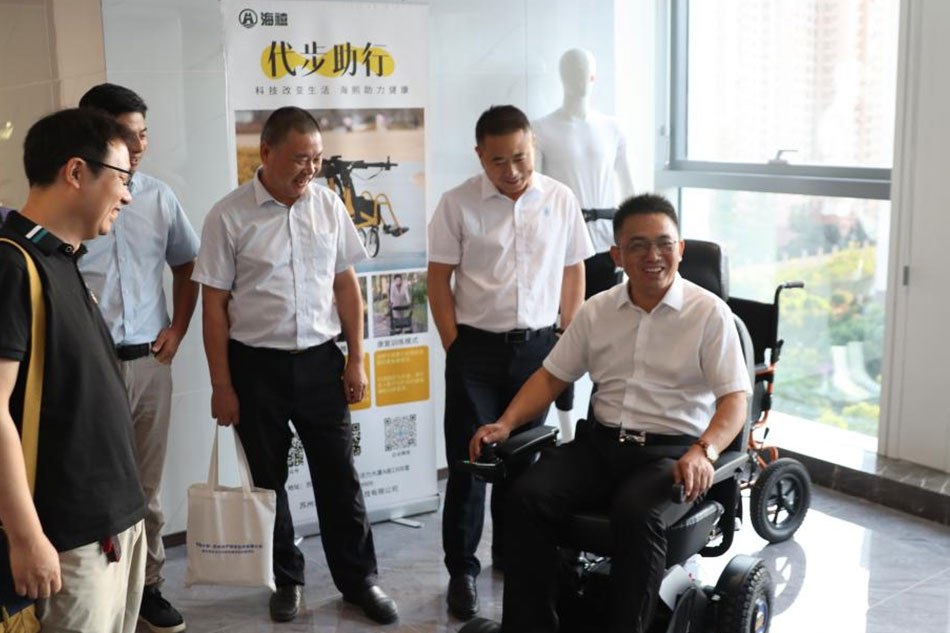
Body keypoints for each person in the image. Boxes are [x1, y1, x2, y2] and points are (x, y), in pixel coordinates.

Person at [470, 194, 752, 633]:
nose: (653, 256)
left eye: (664, 243)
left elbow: (735, 399)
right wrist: (506, 423)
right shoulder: (598, 310)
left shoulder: (709, 314)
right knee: (526, 498)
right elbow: (551, 376)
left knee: (636, 513)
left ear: (680, 250)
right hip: (600, 446)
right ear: (617, 255)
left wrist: (705, 450)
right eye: (638, 245)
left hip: (671, 455)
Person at [192, 106, 398, 625]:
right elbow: (213, 307)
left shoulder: (327, 206)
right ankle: (287, 580)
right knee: (268, 482)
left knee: (340, 477)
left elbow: (346, 286)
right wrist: (221, 385)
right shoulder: (228, 215)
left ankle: (359, 580)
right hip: (254, 367)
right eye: (301, 158)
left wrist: (356, 359)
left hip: (321, 364)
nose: (311, 169)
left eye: (318, 158)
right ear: (266, 153)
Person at [428, 105, 594, 620]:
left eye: (520, 157)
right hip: (474, 351)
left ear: (533, 146)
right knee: (471, 462)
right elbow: (437, 279)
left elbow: (573, 269)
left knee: (523, 463)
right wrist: (455, 346)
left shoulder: (560, 198)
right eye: (498, 161)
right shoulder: (457, 204)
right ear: (480, 155)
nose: (512, 170)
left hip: (539, 351)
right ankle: (462, 571)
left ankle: (509, 554)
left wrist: (568, 334)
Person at [0, 108, 147, 633]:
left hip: (114, 525)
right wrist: (26, 537)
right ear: (77, 172)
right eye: (122, 179)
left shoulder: (61, 259)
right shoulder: (12, 266)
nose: (127, 197)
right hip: (66, 539)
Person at [77, 83, 200, 633]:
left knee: (146, 488)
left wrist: (178, 329)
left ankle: (148, 587)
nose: (139, 146)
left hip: (150, 364)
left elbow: (187, 264)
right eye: (128, 135)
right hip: (91, 368)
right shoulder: (74, 198)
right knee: (94, 484)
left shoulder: (157, 196)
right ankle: (98, 592)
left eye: (144, 134)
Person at [534, 48, 636, 441]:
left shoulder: (613, 128)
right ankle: (563, 431)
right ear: (562, 76)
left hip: (606, 249)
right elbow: (536, 193)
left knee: (609, 340)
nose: (579, 78)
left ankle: (599, 426)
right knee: (563, 339)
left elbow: (630, 190)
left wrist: (633, 245)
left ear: (594, 77)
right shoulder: (541, 128)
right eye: (572, 70)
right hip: (560, 252)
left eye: (585, 71)